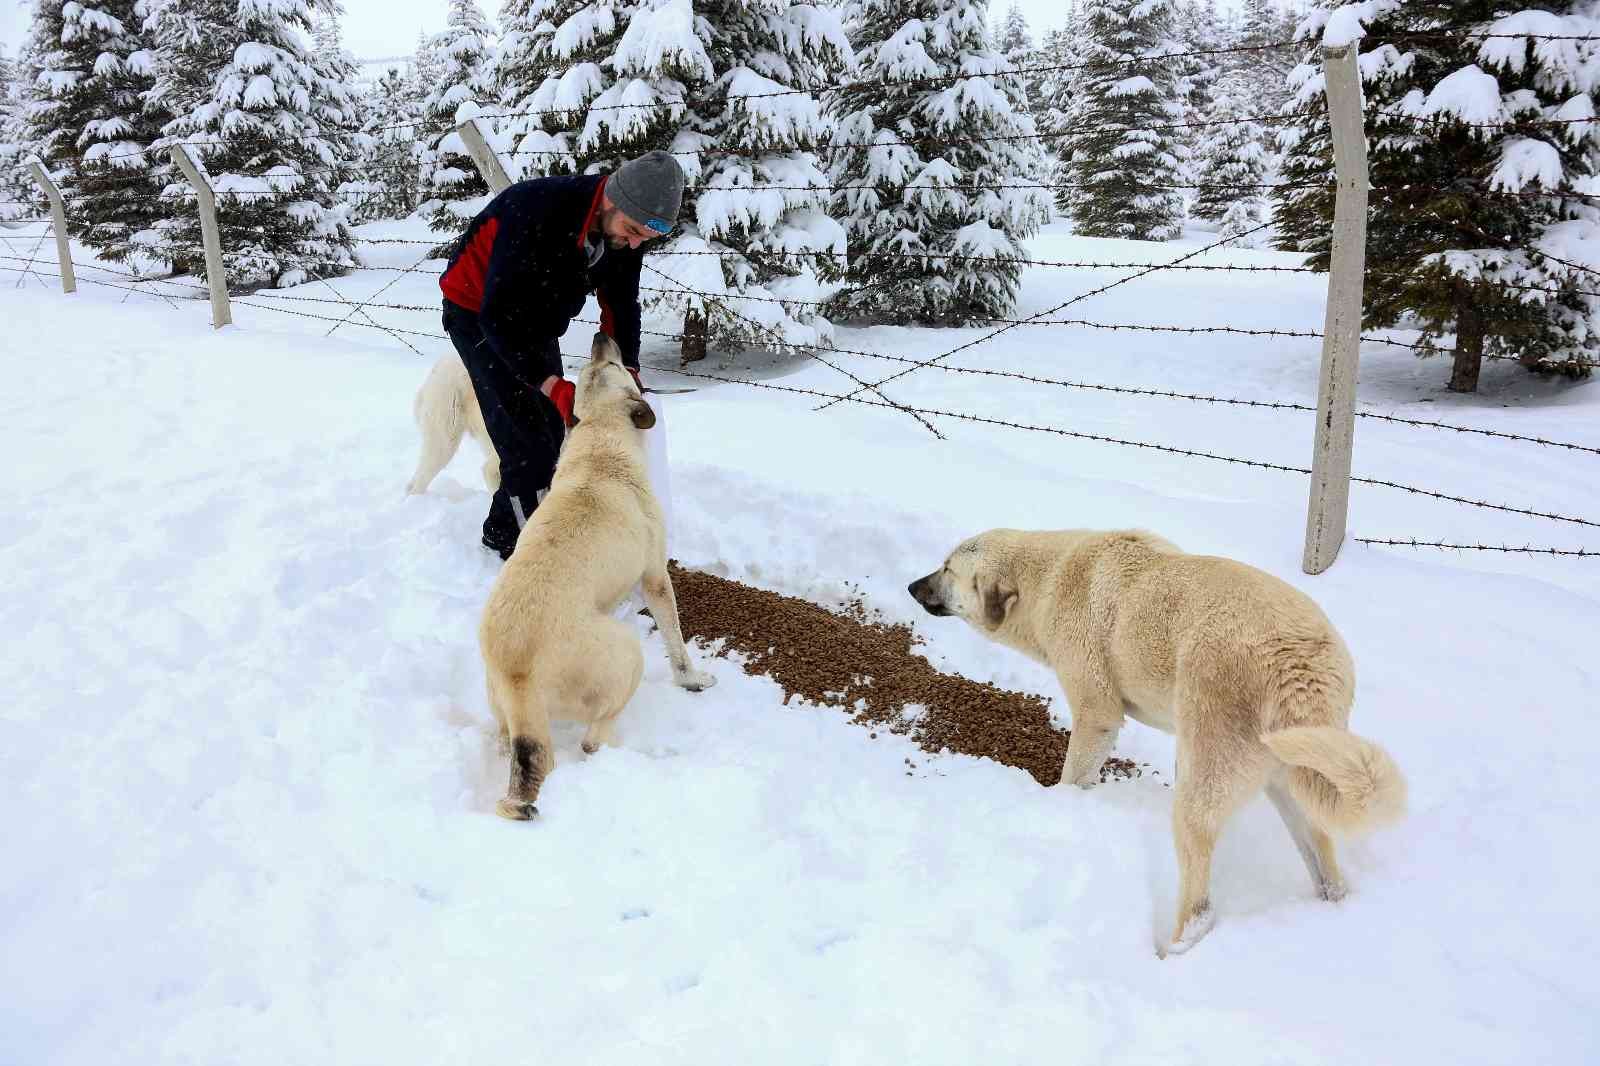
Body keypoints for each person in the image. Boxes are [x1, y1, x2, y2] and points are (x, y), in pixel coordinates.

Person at [438, 149, 685, 559]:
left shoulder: (624, 232)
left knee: (554, 429)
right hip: (477, 312)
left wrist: (628, 371)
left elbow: (621, 305)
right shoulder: (537, 212)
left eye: (647, 237)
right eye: (633, 230)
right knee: (527, 442)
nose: (636, 243)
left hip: (535, 315)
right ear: (611, 198)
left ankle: (508, 525)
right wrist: (552, 384)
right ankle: (527, 552)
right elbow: (499, 318)